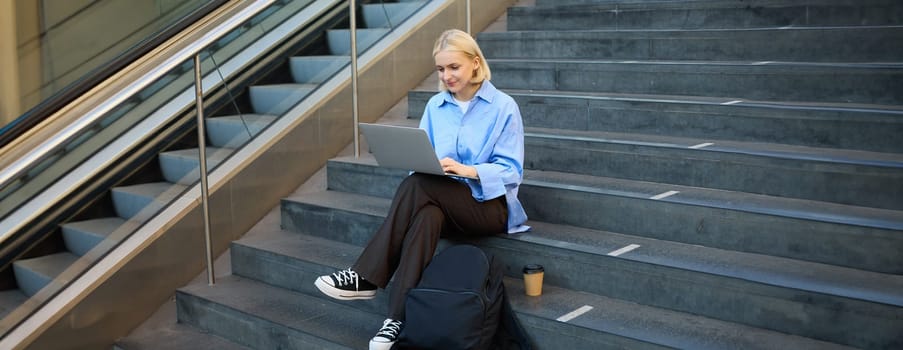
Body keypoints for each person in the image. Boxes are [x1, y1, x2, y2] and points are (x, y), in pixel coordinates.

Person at [314, 28, 529, 350]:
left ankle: (366, 276)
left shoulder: (502, 106)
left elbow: (512, 171)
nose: (447, 76)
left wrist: (467, 170)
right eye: (441, 69)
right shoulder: (436, 106)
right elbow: (423, 160)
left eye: (453, 67)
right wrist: (428, 164)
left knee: (418, 185)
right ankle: (396, 319)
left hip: (488, 204)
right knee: (426, 214)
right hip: (439, 198)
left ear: (474, 63)